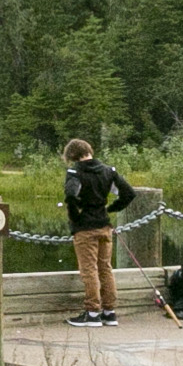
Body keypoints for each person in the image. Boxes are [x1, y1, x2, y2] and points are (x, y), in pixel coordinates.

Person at [61, 138, 134, 326]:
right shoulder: (108, 171)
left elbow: (70, 195)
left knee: (89, 270)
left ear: (73, 156)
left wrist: (75, 217)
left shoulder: (75, 172)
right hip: (104, 225)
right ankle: (109, 311)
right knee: (105, 268)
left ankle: (92, 313)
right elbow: (128, 193)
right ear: (89, 151)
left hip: (85, 228)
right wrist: (113, 208)